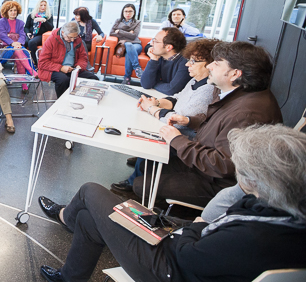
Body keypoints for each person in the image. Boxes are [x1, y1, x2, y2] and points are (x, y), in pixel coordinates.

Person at [36, 124, 306, 282]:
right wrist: (194, 228)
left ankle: (64, 218)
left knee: (89, 190)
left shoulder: (255, 236)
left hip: (170, 274)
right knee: (89, 219)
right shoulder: (284, 214)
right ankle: (72, 279)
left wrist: (195, 226)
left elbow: (190, 256)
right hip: (188, 256)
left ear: (262, 181)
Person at [144, 41, 283, 205]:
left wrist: (177, 140)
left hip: (216, 183)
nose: (210, 66)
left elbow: (223, 165)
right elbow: (219, 125)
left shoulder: (246, 113)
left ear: (234, 74)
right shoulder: (236, 93)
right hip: (203, 165)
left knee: (144, 185)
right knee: (146, 167)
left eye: (216, 64)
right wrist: (191, 121)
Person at [112, 39, 221, 194]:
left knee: (147, 140)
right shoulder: (195, 80)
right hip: (174, 130)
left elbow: (179, 121)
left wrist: (152, 109)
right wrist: (157, 102)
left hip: (182, 139)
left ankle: (132, 183)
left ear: (210, 64)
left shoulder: (208, 90)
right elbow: (176, 97)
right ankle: (141, 166)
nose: (187, 64)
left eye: (193, 61)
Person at [36, 21, 99, 98]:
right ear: (62, 32)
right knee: (63, 80)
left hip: (72, 68)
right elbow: (43, 63)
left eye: (74, 37)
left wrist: (79, 66)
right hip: (53, 70)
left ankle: (83, 100)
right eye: (70, 37)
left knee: (93, 78)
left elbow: (83, 57)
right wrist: (61, 68)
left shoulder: (78, 40)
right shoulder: (51, 40)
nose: (72, 40)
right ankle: (62, 102)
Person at [139, 27, 190, 95]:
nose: (151, 44)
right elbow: (146, 84)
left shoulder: (186, 62)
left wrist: (154, 83)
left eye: (156, 41)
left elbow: (171, 89)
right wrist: (153, 60)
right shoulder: (160, 57)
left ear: (168, 47)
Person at [0, 0, 34, 75]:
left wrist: (18, 43)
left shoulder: (20, 22)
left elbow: (23, 35)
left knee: (18, 56)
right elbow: (2, 35)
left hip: (18, 46)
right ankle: (30, 71)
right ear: (6, 11)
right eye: (11, 10)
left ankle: (24, 81)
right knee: (19, 51)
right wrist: (13, 43)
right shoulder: (1, 22)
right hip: (5, 47)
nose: (13, 12)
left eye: (15, 10)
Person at [109, 3, 143, 84]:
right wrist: (128, 33)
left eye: (130, 11)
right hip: (124, 45)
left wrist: (120, 31)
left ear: (134, 12)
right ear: (123, 12)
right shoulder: (118, 21)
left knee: (129, 46)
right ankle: (137, 68)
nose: (128, 13)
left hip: (136, 44)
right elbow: (111, 33)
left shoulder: (137, 22)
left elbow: (134, 35)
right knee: (128, 47)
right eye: (126, 11)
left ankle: (127, 78)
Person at [24, 0, 54, 66]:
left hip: (41, 35)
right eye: (41, 5)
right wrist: (28, 33)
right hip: (31, 34)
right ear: (38, 6)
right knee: (24, 42)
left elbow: (51, 28)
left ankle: (35, 62)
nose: (43, 7)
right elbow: (26, 27)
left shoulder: (49, 16)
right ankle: (24, 61)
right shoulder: (31, 15)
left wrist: (44, 21)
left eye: (44, 5)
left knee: (32, 42)